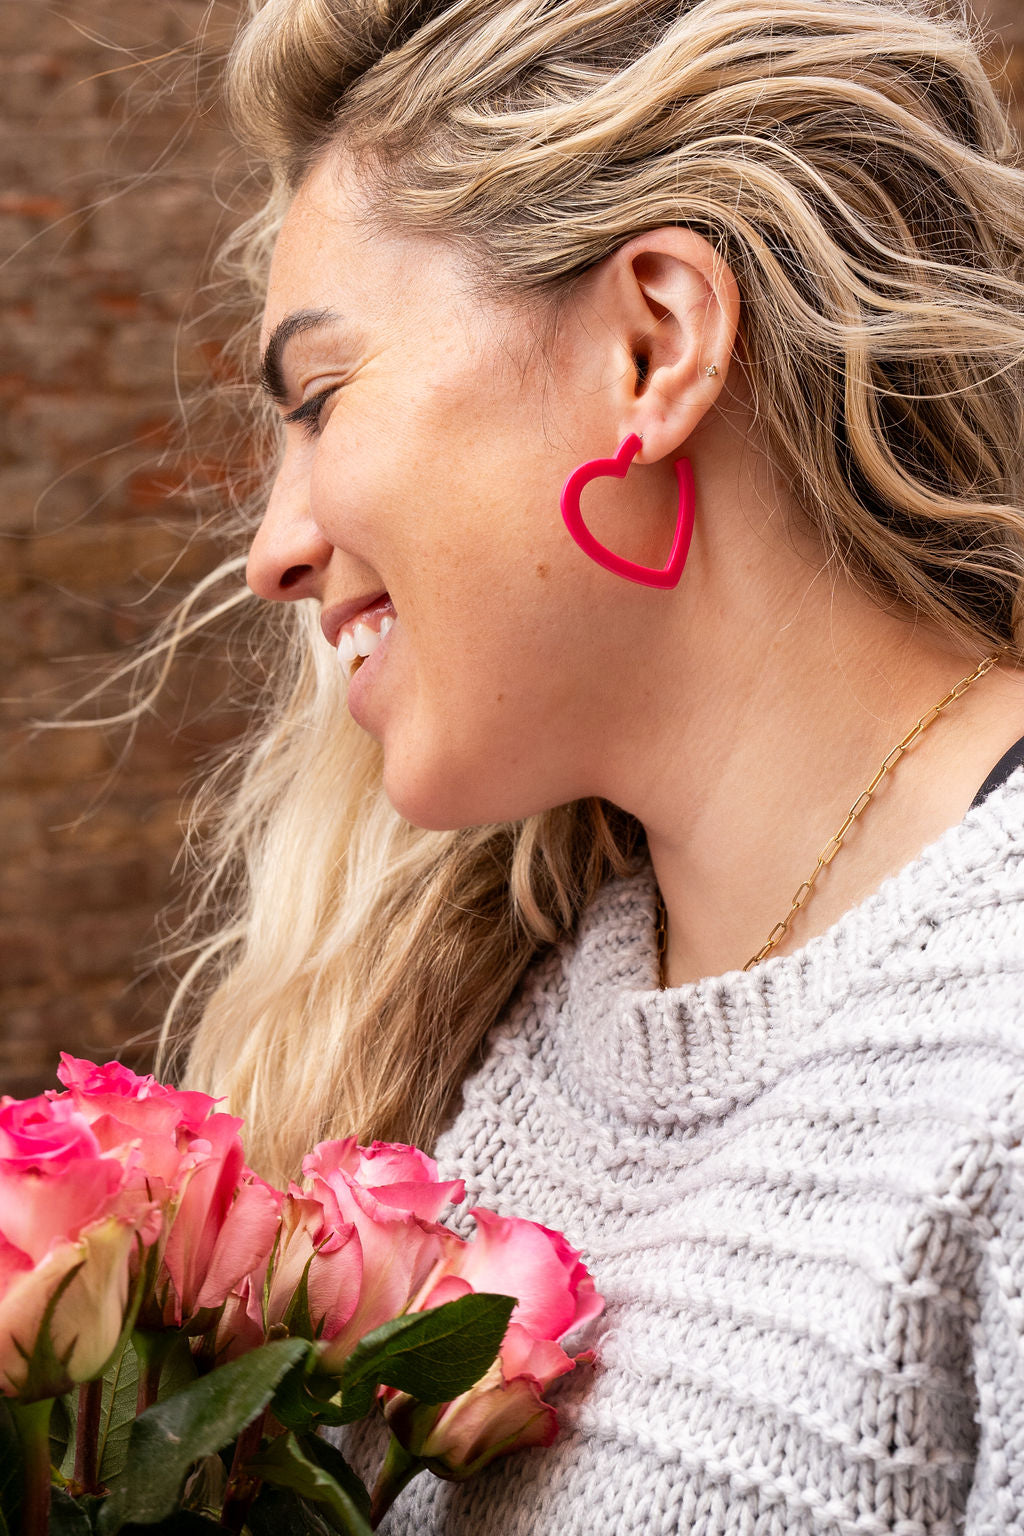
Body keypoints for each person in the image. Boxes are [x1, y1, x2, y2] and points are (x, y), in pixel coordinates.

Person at [166, 0, 1024, 1528]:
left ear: (653, 347)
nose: (271, 553)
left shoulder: (992, 1055)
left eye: (321, 399)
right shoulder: (471, 1016)